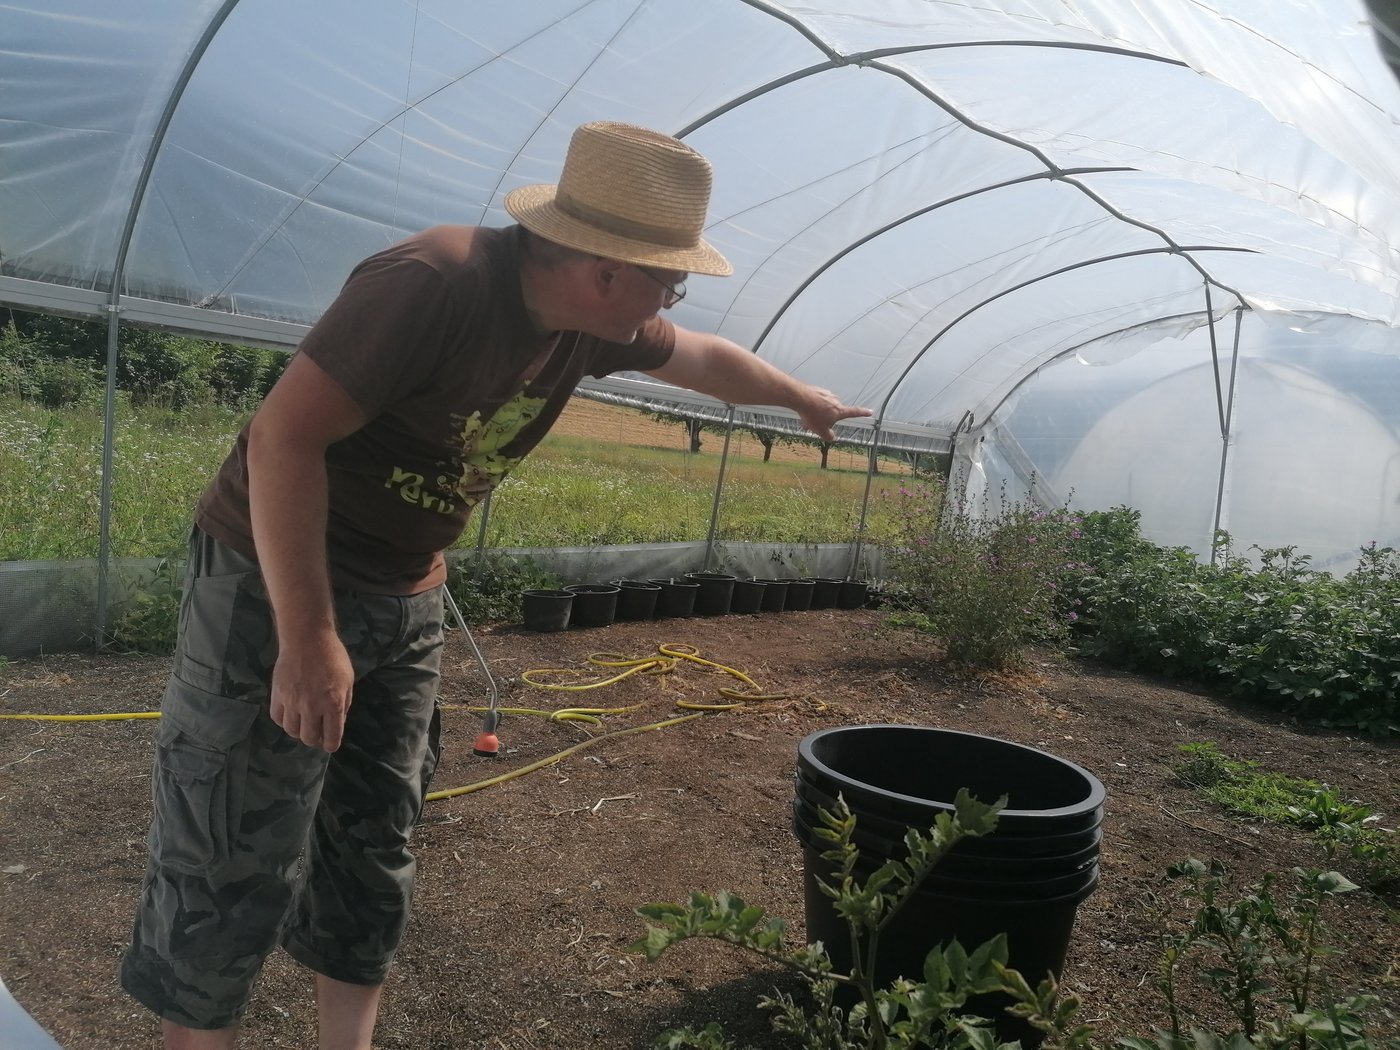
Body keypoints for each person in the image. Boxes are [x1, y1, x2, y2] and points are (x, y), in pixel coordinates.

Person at [119, 120, 871, 1049]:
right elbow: (283, 439)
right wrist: (308, 638)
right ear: (606, 270)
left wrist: (801, 398)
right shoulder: (431, 283)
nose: (669, 301)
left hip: (406, 593)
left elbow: (707, 360)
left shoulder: (587, 325)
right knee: (234, 844)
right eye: (667, 280)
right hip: (276, 580)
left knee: (375, 841)